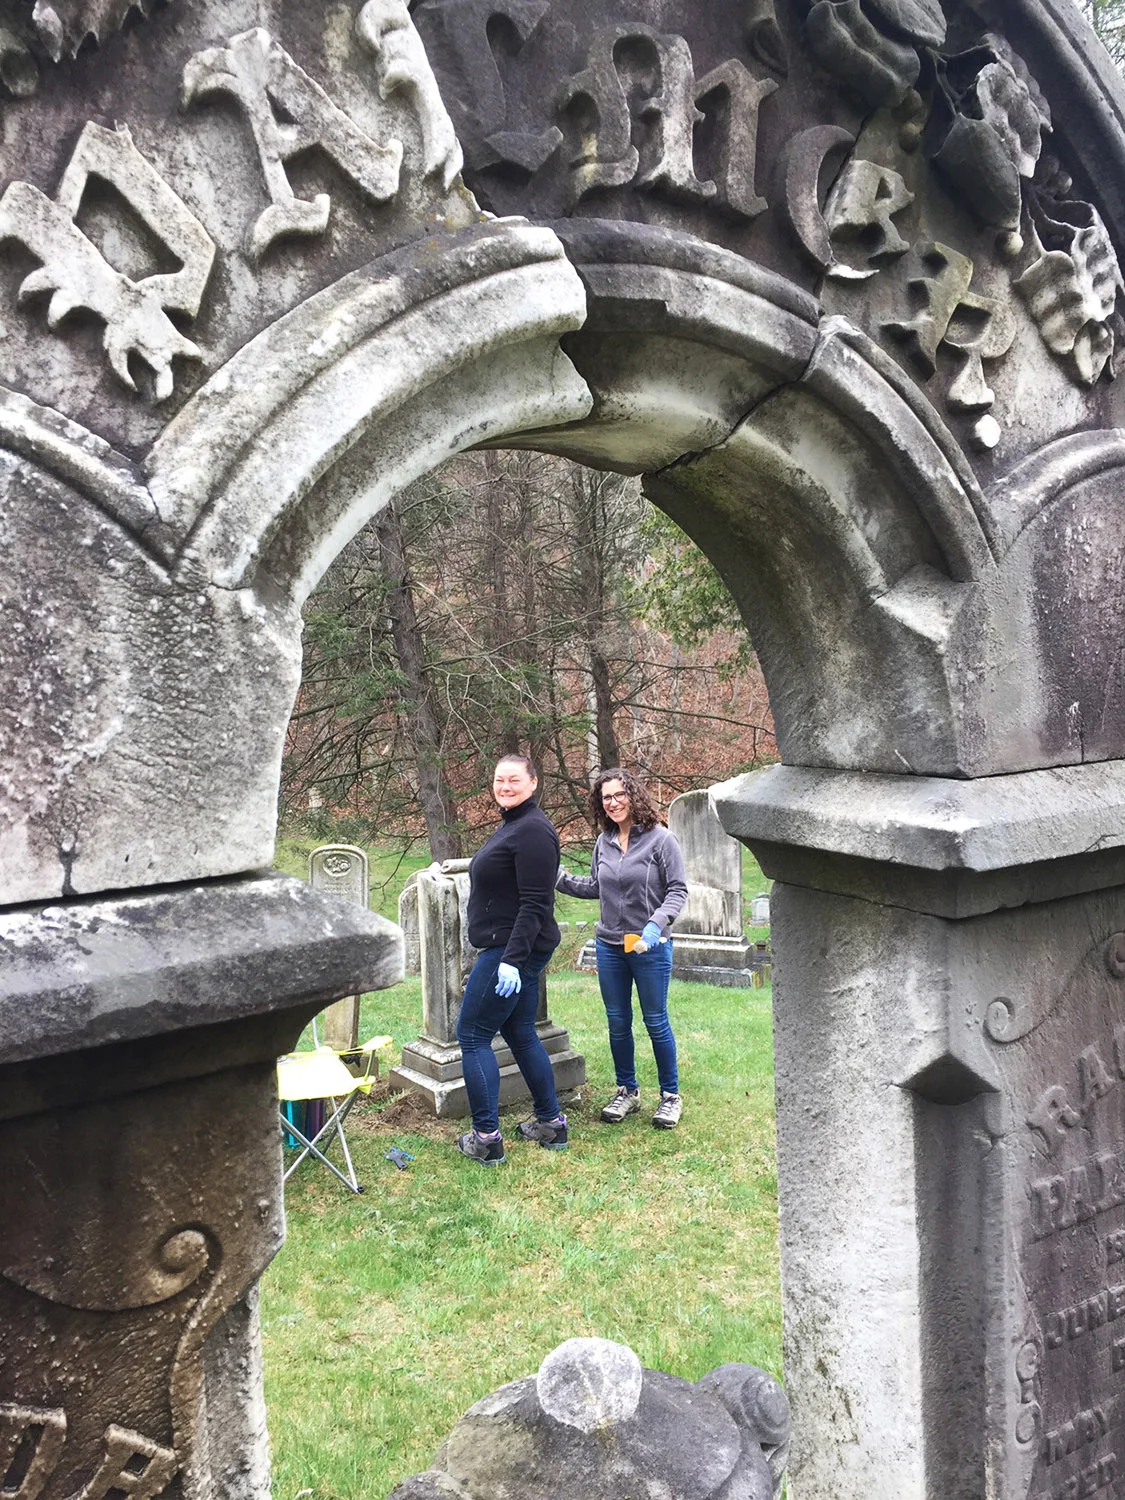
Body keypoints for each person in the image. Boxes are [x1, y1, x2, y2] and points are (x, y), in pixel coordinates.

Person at [557, 768, 688, 1129]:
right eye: (606, 798)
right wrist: (560, 879)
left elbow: (677, 890)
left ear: (633, 796)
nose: (613, 803)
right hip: (610, 945)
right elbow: (598, 885)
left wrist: (653, 926)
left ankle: (670, 1096)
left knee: (655, 1020)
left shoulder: (661, 840)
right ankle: (627, 1091)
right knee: (617, 1022)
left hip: (651, 947)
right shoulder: (605, 841)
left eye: (619, 795)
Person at [455, 754, 568, 1165]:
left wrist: (512, 961)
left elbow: (537, 902)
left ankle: (485, 1138)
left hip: (511, 948)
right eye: (500, 779)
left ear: (533, 783)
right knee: (520, 1031)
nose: (505, 786)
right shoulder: (514, 824)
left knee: (472, 1035)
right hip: (513, 946)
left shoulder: (534, 831)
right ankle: (551, 1123)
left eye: (514, 780)